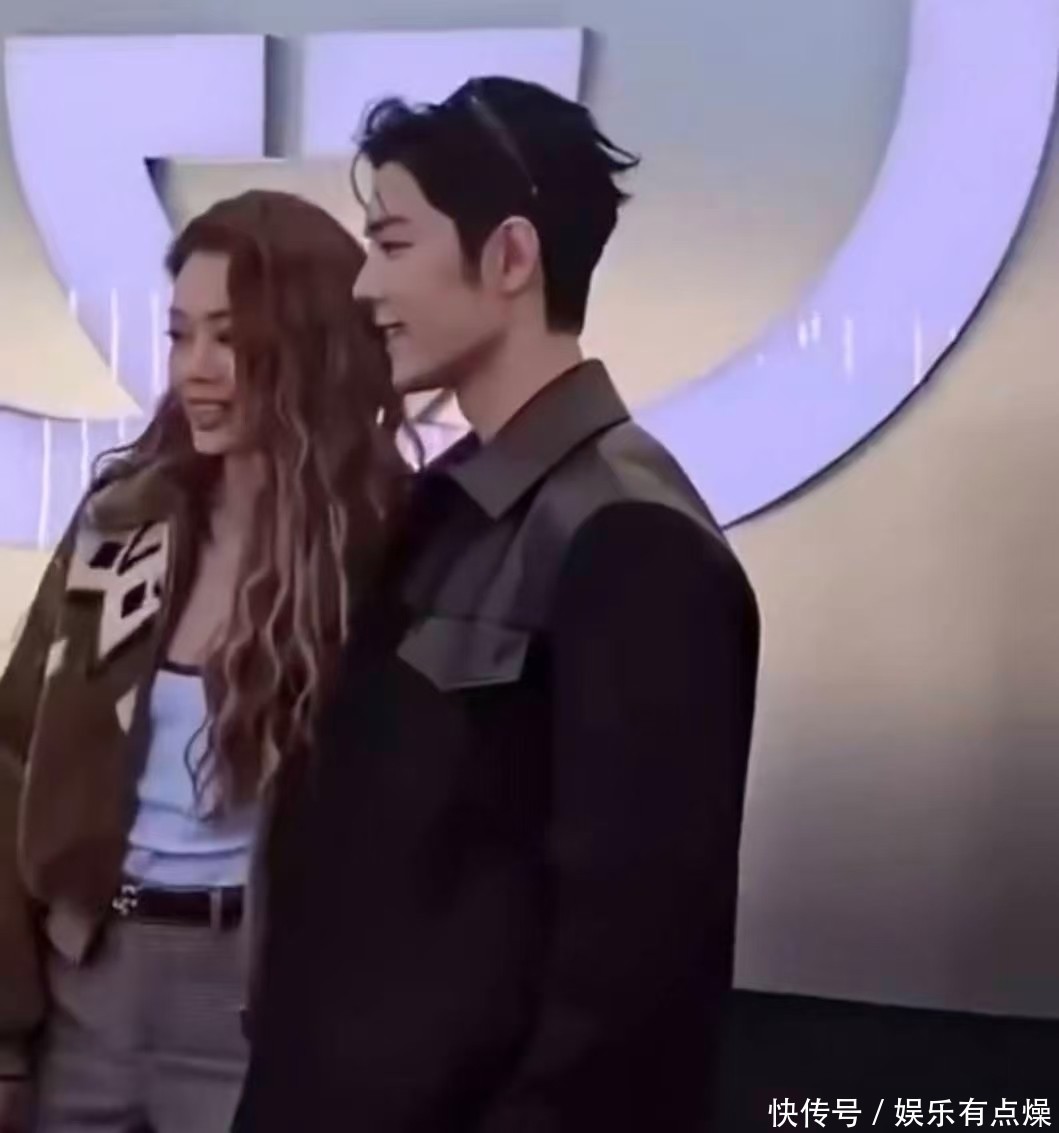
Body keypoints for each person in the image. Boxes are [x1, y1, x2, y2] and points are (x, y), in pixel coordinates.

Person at [235, 78, 761, 1132]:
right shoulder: (445, 510)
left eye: (393, 243)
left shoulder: (630, 537)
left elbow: (627, 981)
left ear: (511, 257)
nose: (364, 286)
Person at [0, 189, 410, 1132]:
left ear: (309, 342)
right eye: (181, 335)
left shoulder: (385, 544)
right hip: (91, 977)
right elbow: (12, 754)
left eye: (230, 337)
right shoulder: (122, 524)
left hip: (265, 994)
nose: (197, 368)